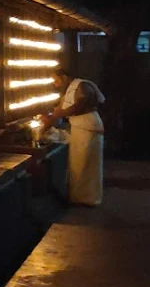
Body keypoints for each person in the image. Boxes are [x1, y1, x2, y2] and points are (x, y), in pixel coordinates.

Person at [41, 67, 106, 206]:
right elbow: (59, 109)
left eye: (57, 81)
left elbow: (78, 105)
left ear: (64, 77)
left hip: (88, 126)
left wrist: (58, 114)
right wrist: (50, 116)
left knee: (85, 163)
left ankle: (87, 199)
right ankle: (78, 197)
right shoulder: (70, 90)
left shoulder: (81, 85)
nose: (55, 84)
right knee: (78, 163)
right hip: (80, 127)